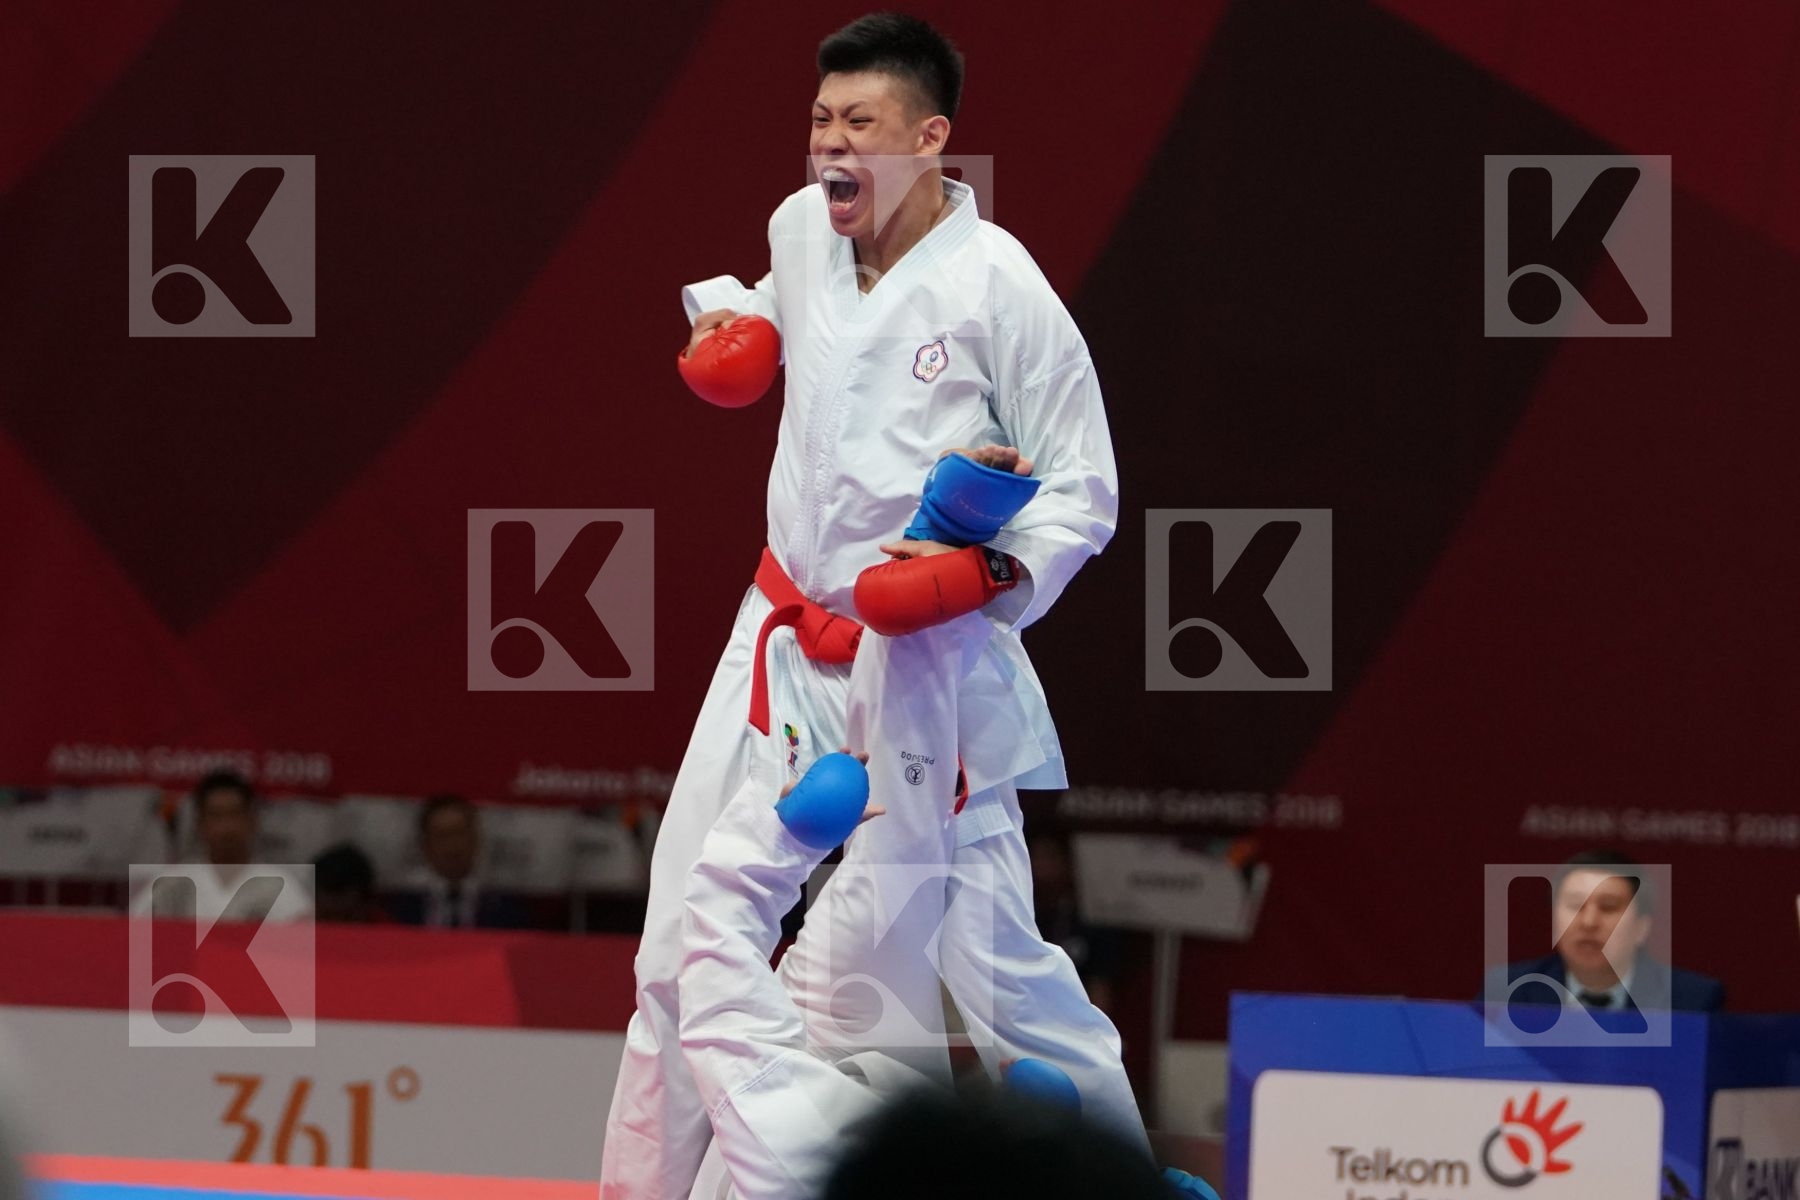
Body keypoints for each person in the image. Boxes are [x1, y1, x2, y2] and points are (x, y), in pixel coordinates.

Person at [601, 13, 1144, 1197]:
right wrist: (726, 323)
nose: (828, 148)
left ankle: (1129, 1185)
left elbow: (1083, 487)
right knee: (674, 947)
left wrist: (989, 576)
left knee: (993, 960)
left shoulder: (1001, 288)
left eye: (858, 125)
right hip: (780, 628)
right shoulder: (802, 229)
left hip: (921, 653)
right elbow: (763, 303)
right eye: (817, 122)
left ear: (930, 139)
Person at [679, 752, 1217, 1200]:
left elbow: (720, 1005)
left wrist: (779, 843)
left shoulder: (793, 1152)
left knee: (903, 840)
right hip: (879, 1093)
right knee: (989, 930)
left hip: (812, 1048)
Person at [1484, 849, 1725, 1012]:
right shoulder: (1507, 991)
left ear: (1642, 927)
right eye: (1575, 905)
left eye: (1608, 907)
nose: (1589, 922)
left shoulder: (1691, 1001)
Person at [129, 770, 312, 923]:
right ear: (200, 824)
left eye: (235, 814)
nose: (227, 827)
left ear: (253, 820)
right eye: (216, 816)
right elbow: (134, 936)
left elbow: (300, 951)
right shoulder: (171, 884)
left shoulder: (280, 885)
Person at [386, 794, 524, 930]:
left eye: (460, 833)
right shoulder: (402, 908)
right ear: (425, 846)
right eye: (441, 836)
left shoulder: (504, 908)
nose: (452, 845)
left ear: (476, 839)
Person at [312, 842, 383, 923]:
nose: (337, 925)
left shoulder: (389, 930)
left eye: (346, 917)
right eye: (327, 916)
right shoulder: (301, 927)